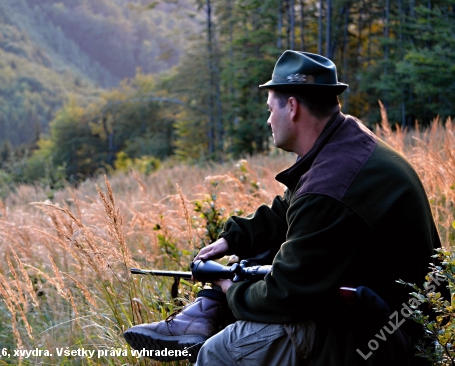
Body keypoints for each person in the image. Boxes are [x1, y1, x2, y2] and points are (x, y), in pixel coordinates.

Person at [124, 50, 443, 365]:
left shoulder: (331, 185)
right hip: (380, 311)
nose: (267, 120)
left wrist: (230, 289)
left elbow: (284, 295)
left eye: (269, 109)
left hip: (381, 338)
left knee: (219, 353)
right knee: (253, 257)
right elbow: (289, 210)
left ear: (291, 107)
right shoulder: (347, 147)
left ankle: (207, 320)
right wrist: (232, 239)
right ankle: (201, 316)